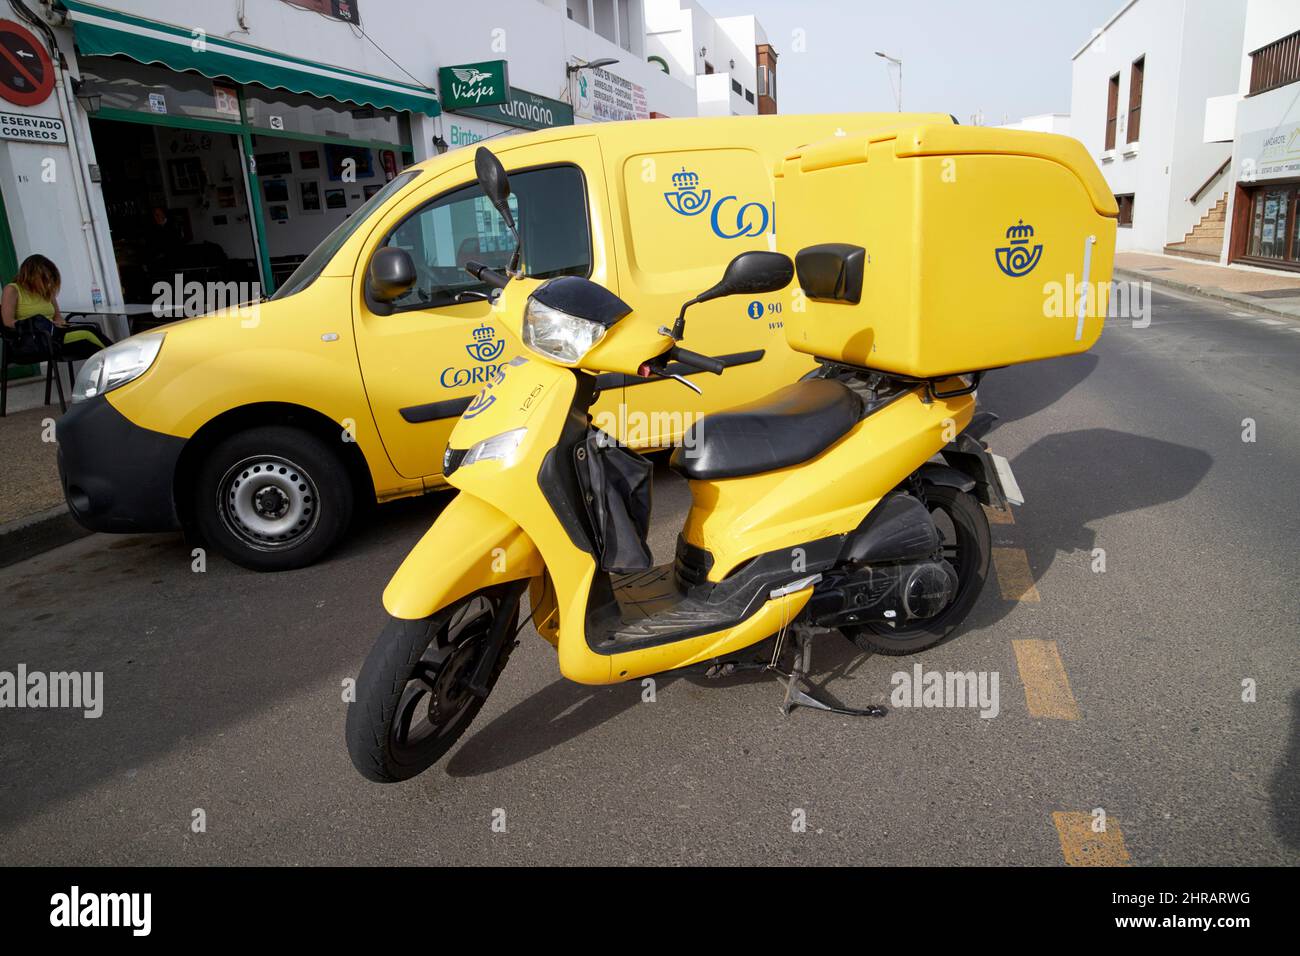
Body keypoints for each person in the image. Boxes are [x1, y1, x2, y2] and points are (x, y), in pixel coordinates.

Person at [1, 254, 109, 359]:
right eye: (44, 278)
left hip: (54, 335)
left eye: (50, 277)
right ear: (30, 275)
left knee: (92, 341)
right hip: (33, 339)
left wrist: (59, 322)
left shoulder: (45, 291)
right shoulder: (12, 290)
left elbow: (58, 317)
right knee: (88, 332)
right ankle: (119, 360)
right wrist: (36, 323)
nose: (48, 281)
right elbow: (8, 322)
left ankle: (115, 363)